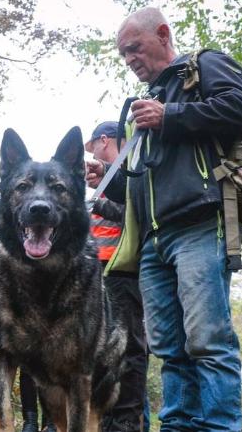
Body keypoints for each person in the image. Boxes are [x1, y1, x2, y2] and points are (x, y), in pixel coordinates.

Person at [87, 7, 242, 431]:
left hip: (200, 225)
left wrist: (172, 117)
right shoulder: (148, 104)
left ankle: (220, 426)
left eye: (134, 48)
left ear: (162, 35)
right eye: (123, 55)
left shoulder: (202, 67)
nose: (129, 59)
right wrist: (106, 183)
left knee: (208, 340)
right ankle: (178, 425)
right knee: (169, 346)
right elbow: (141, 188)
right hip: (152, 241)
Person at [85, 121, 148, 432]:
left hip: (123, 271)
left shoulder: (132, 167)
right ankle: (106, 418)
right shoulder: (105, 178)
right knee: (101, 347)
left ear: (104, 140)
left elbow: (137, 212)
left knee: (130, 346)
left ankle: (126, 422)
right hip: (95, 271)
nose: (93, 153)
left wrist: (96, 203)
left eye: (93, 145)